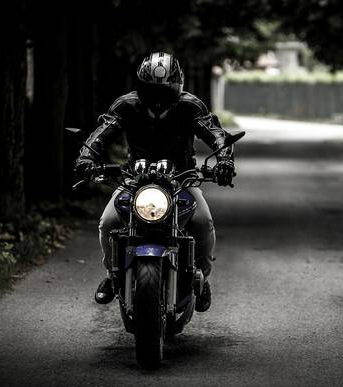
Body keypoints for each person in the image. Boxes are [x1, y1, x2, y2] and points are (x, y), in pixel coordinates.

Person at [74, 51, 235, 312]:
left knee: (203, 222)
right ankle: (112, 275)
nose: (158, 97)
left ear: (177, 86)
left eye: (165, 90)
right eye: (151, 90)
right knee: (108, 222)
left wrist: (225, 160)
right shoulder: (125, 105)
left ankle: (203, 278)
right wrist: (86, 158)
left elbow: (215, 133)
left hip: (181, 180)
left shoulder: (191, 106)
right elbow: (101, 133)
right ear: (141, 85)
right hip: (134, 180)